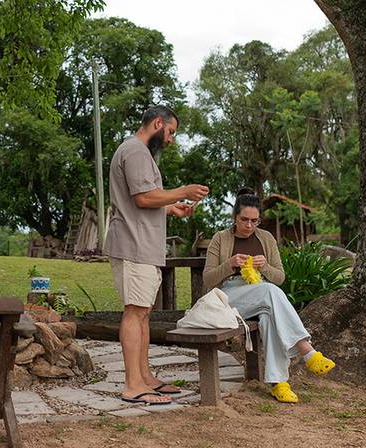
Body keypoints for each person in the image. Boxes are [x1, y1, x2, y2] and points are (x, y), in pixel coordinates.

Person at [103, 106, 209, 405]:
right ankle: (132, 385)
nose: (171, 139)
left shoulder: (140, 153)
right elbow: (142, 197)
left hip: (143, 247)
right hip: (133, 246)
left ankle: (145, 377)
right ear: (158, 123)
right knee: (135, 313)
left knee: (143, 314)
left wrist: (171, 207)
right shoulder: (135, 151)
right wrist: (183, 191)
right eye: (171, 132)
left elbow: (147, 200)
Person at [203, 188, 336, 403]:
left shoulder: (266, 238)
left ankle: (278, 383)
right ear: (234, 217)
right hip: (228, 297)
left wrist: (264, 267)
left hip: (261, 294)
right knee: (270, 291)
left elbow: (279, 277)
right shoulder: (220, 238)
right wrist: (229, 265)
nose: (249, 225)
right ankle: (307, 351)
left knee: (268, 316)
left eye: (254, 221)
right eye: (244, 220)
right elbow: (208, 279)